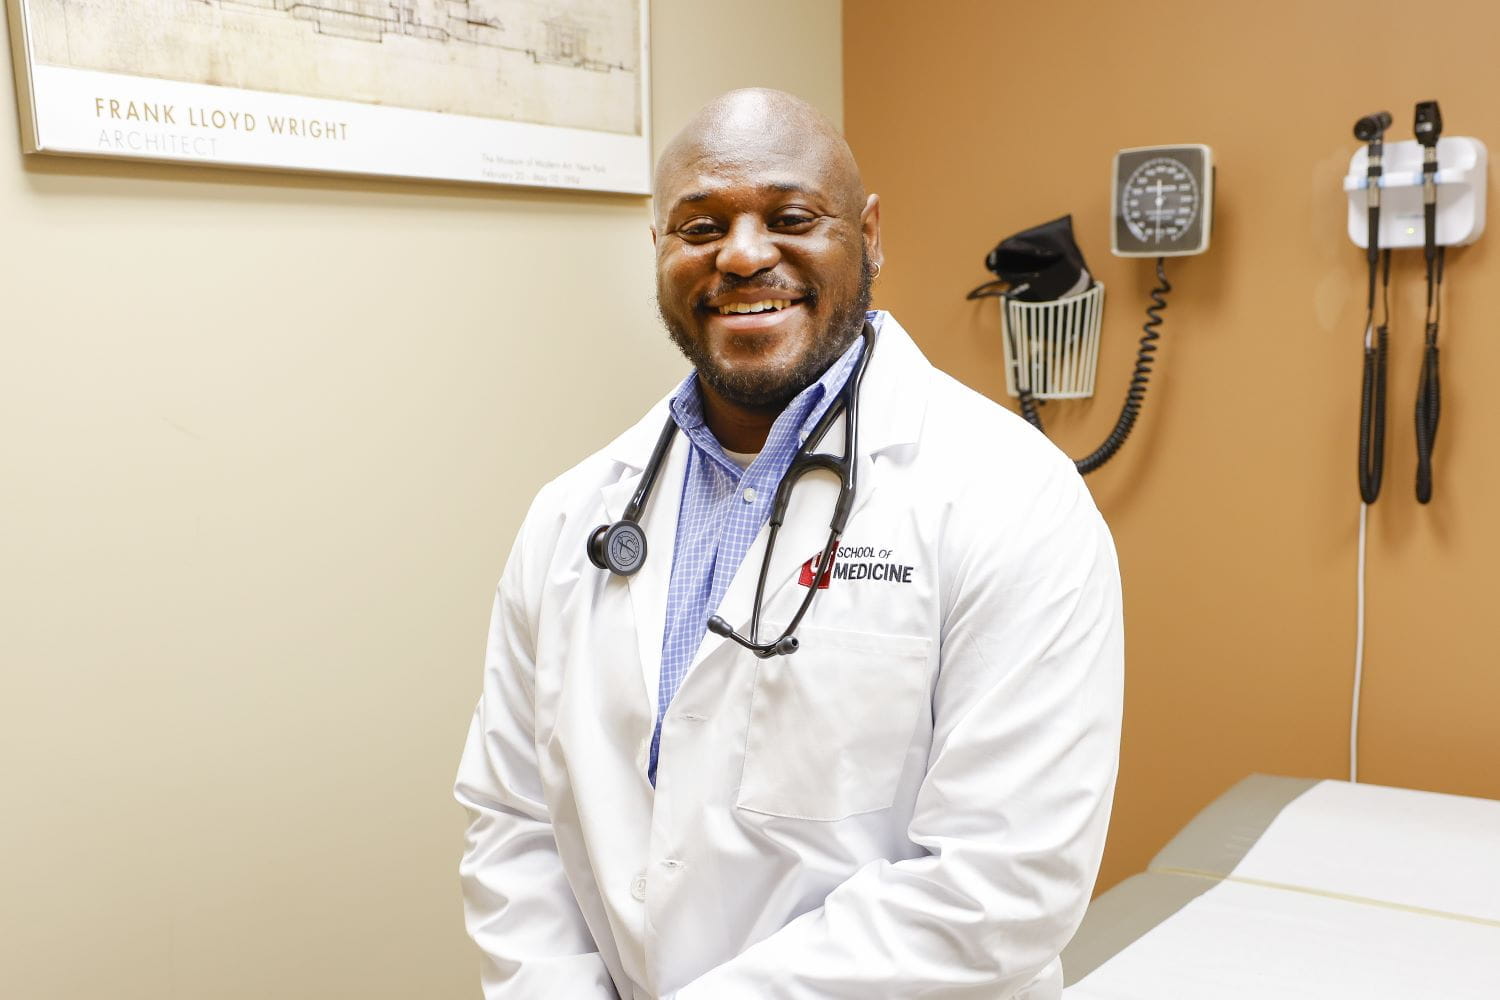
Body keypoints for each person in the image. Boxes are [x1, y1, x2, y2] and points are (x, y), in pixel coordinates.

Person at [454, 88, 1123, 1000]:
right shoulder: (574, 514)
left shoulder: (1011, 496)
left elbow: (1003, 885)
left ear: (870, 235)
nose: (742, 253)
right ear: (659, 250)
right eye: (699, 226)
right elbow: (515, 817)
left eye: (790, 215)